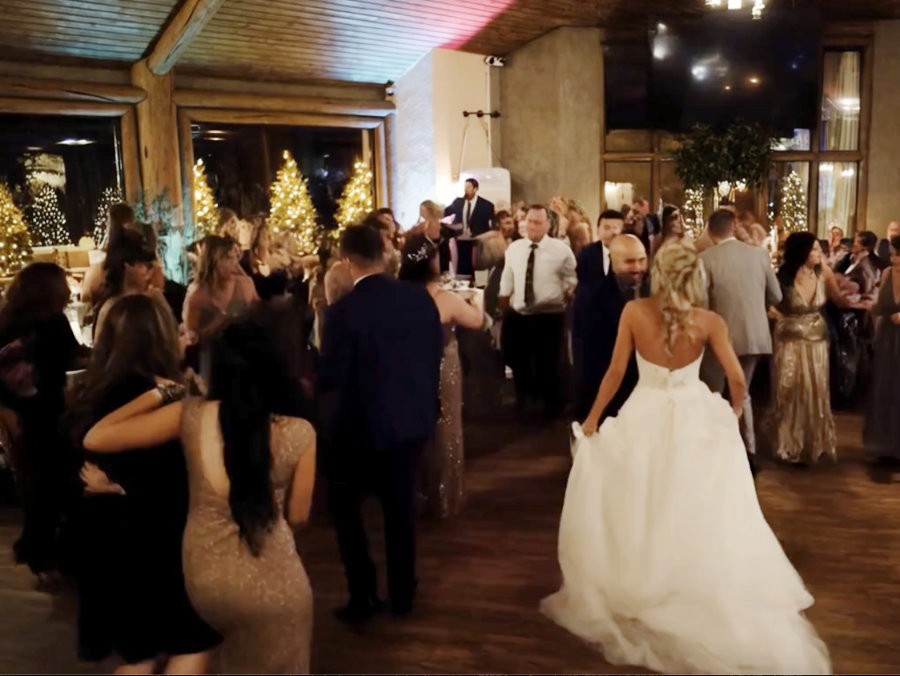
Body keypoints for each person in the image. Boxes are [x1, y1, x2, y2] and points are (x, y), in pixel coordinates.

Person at [541, 239, 831, 675]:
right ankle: (687, 575)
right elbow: (737, 379)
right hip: (694, 414)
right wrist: (730, 414)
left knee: (644, 497)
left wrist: (593, 419)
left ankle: (642, 574)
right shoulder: (709, 321)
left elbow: (616, 372)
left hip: (645, 411)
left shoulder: (634, 313)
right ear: (695, 279)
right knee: (693, 502)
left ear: (658, 275)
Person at [83, 309, 317, 674]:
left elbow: (96, 436)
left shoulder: (190, 416)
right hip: (273, 580)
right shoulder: (301, 432)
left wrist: (163, 392)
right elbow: (298, 517)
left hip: (205, 578)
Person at [70, 295, 221, 673]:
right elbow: (176, 475)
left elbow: (76, 464)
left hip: (103, 540)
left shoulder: (91, 392)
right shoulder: (166, 396)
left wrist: (112, 487)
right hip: (156, 540)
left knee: (138, 651)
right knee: (191, 641)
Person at [319, 225, 443, 624]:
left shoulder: (341, 313)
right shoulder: (420, 300)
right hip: (410, 422)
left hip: (359, 430)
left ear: (348, 260)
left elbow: (334, 377)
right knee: (400, 513)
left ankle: (364, 595)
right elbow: (431, 360)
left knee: (348, 516)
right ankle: (403, 594)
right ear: (384, 254)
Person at [0, 263, 86, 580]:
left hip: (21, 416)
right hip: (52, 414)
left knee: (37, 490)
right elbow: (72, 359)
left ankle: (40, 557)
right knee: (62, 485)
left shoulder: (7, 321)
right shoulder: (52, 321)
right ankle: (60, 556)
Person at [398, 234, 484, 519]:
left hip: (408, 368)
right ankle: (445, 496)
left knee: (415, 429)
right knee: (446, 426)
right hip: (442, 366)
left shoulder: (397, 295)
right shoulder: (444, 298)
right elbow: (476, 320)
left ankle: (417, 495)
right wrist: (478, 299)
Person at [699, 209, 782, 469]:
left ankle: (715, 447)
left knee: (714, 392)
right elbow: (777, 295)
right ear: (734, 227)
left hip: (720, 335)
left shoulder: (705, 258)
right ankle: (749, 449)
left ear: (710, 232)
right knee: (742, 392)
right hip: (755, 334)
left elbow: (700, 301)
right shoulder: (759, 255)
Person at [771, 232, 853, 464]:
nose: (819, 254)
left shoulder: (824, 273)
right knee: (789, 391)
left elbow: (839, 299)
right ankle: (788, 443)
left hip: (817, 341)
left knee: (814, 390)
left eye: (819, 249)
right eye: (814, 250)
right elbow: (769, 303)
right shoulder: (783, 276)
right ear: (801, 252)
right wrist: (777, 316)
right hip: (790, 340)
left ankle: (814, 442)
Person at [499, 205, 577, 419]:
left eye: (537, 222)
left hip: (549, 316)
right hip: (520, 315)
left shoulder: (561, 250)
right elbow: (507, 276)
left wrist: (569, 289)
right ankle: (523, 402)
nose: (532, 226)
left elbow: (572, 278)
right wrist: (504, 301)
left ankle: (551, 408)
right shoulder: (514, 248)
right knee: (519, 362)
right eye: (529, 221)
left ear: (548, 224)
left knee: (548, 364)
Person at [572, 235, 647, 421]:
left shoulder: (656, 291)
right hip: (611, 399)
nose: (637, 268)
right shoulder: (591, 298)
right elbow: (589, 358)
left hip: (649, 394)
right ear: (613, 262)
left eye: (642, 260)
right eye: (630, 262)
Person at [864, 235, 900, 480]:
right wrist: (867, 304)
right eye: (893, 254)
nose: (894, 259)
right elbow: (880, 305)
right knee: (885, 389)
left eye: (898, 254)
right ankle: (885, 446)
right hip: (888, 339)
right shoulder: (887, 273)